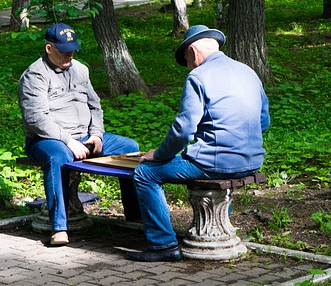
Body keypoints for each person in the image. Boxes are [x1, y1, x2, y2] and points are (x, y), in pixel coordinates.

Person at [126, 25, 271, 262]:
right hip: (252, 161)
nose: (189, 66)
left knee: (144, 173)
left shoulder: (198, 76)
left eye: (186, 60)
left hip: (214, 163)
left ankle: (163, 245)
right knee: (201, 164)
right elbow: (263, 121)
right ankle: (217, 230)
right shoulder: (248, 72)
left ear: (192, 52)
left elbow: (183, 131)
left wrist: (159, 155)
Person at [18, 22, 141, 246]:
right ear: (49, 48)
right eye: (64, 50)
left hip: (85, 136)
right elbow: (35, 119)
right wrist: (69, 141)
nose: (70, 54)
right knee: (57, 158)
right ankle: (59, 228)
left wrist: (97, 135)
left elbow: (95, 105)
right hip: (47, 139)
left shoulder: (80, 69)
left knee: (130, 148)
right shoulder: (35, 75)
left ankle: (135, 215)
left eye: (72, 49)